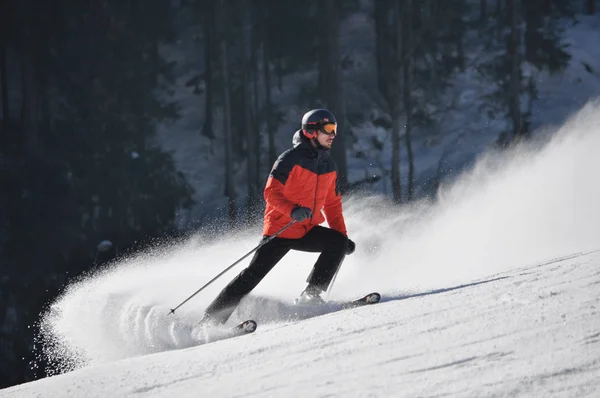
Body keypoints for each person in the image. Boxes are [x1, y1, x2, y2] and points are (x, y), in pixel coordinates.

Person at [202, 108, 356, 325]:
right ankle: (211, 321)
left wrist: (342, 238)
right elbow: (271, 193)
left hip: (307, 229)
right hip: (281, 229)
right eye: (328, 129)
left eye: (335, 129)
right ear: (311, 131)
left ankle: (311, 297)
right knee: (252, 275)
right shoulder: (289, 159)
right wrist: (292, 210)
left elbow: (332, 204)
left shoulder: (329, 165)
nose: (333, 135)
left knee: (337, 242)